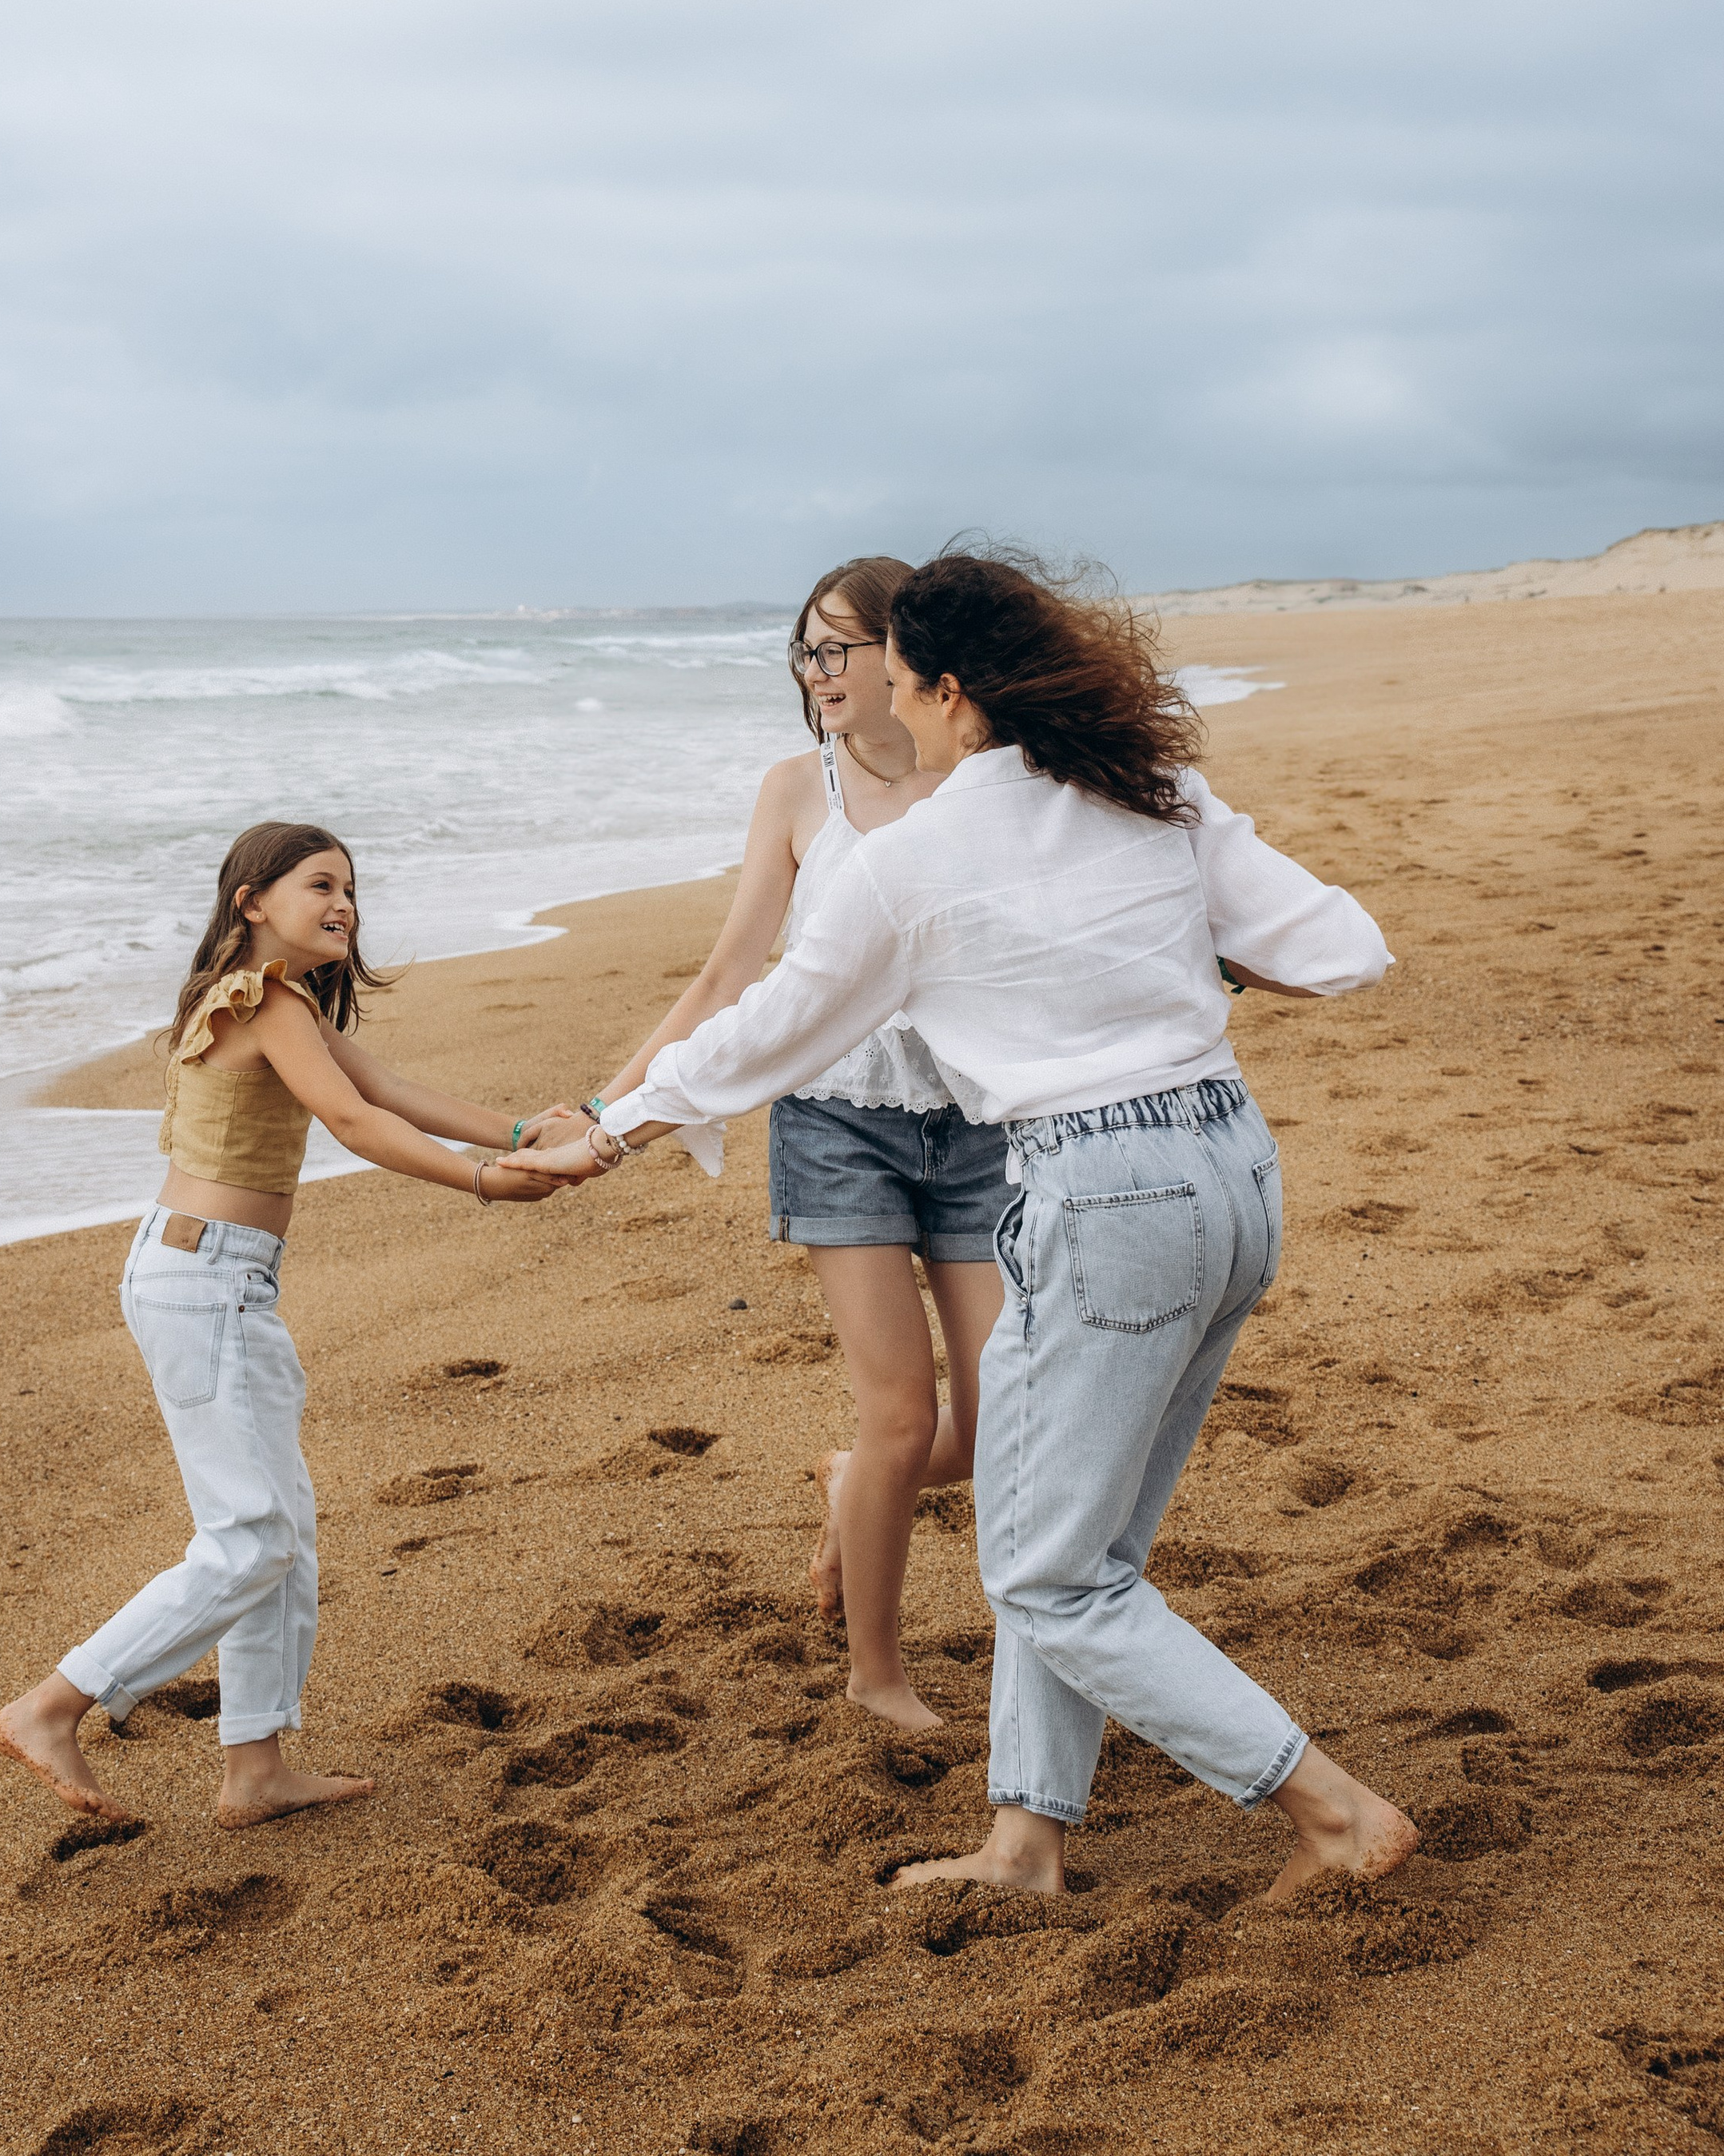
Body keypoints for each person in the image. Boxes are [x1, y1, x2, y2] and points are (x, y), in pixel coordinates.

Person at [541, 550, 1416, 1899]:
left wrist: (613, 1128)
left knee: (1055, 1576)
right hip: (1233, 1171)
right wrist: (1169, 956)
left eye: (898, 684)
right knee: (1080, 1540)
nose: (890, 707)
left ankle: (1331, 1807)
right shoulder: (1156, 794)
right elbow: (1343, 949)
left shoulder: (919, 857)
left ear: (952, 693)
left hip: (1099, 1199)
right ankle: (1026, 1838)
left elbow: (768, 1033)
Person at [0, 819, 578, 1831]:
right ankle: (54, 1704)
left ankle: (254, 1768)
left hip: (219, 1278)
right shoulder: (257, 998)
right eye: (319, 884)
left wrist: (524, 1132)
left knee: (280, 1533)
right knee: (250, 1536)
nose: (343, 901)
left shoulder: (284, 1000)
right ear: (251, 902)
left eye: (350, 885)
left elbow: (386, 1089)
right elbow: (356, 1125)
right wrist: (487, 1181)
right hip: (201, 1281)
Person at [581, 556, 1013, 1732]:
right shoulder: (793, 790)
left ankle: (852, 1489)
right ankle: (878, 1674)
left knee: (989, 1424)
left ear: (907, 658)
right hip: (835, 1125)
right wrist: (607, 1104)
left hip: (977, 1129)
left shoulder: (980, 783)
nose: (817, 673)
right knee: (898, 1414)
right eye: (805, 652)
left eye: (840, 650)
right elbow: (731, 974)